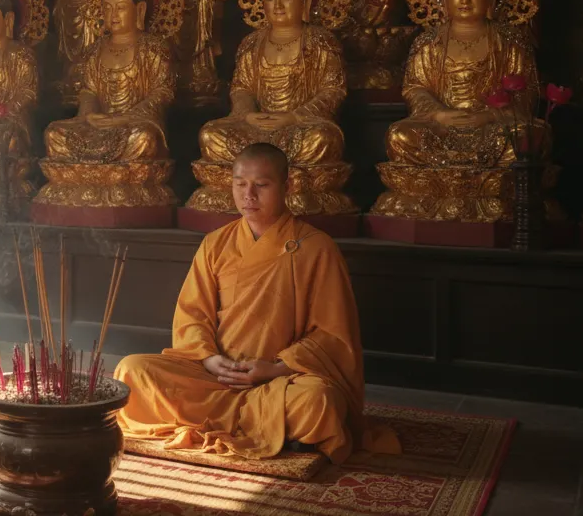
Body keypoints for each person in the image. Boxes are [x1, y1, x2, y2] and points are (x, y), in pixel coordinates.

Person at [114, 143, 400, 462]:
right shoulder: (215, 244)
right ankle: (267, 426)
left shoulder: (315, 248)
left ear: (287, 186)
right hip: (216, 378)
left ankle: (256, 420)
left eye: (261, 185)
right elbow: (192, 316)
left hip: (281, 381)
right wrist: (209, 359)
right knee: (132, 370)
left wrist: (275, 368)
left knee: (319, 400)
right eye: (240, 184)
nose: (248, 195)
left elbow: (331, 336)